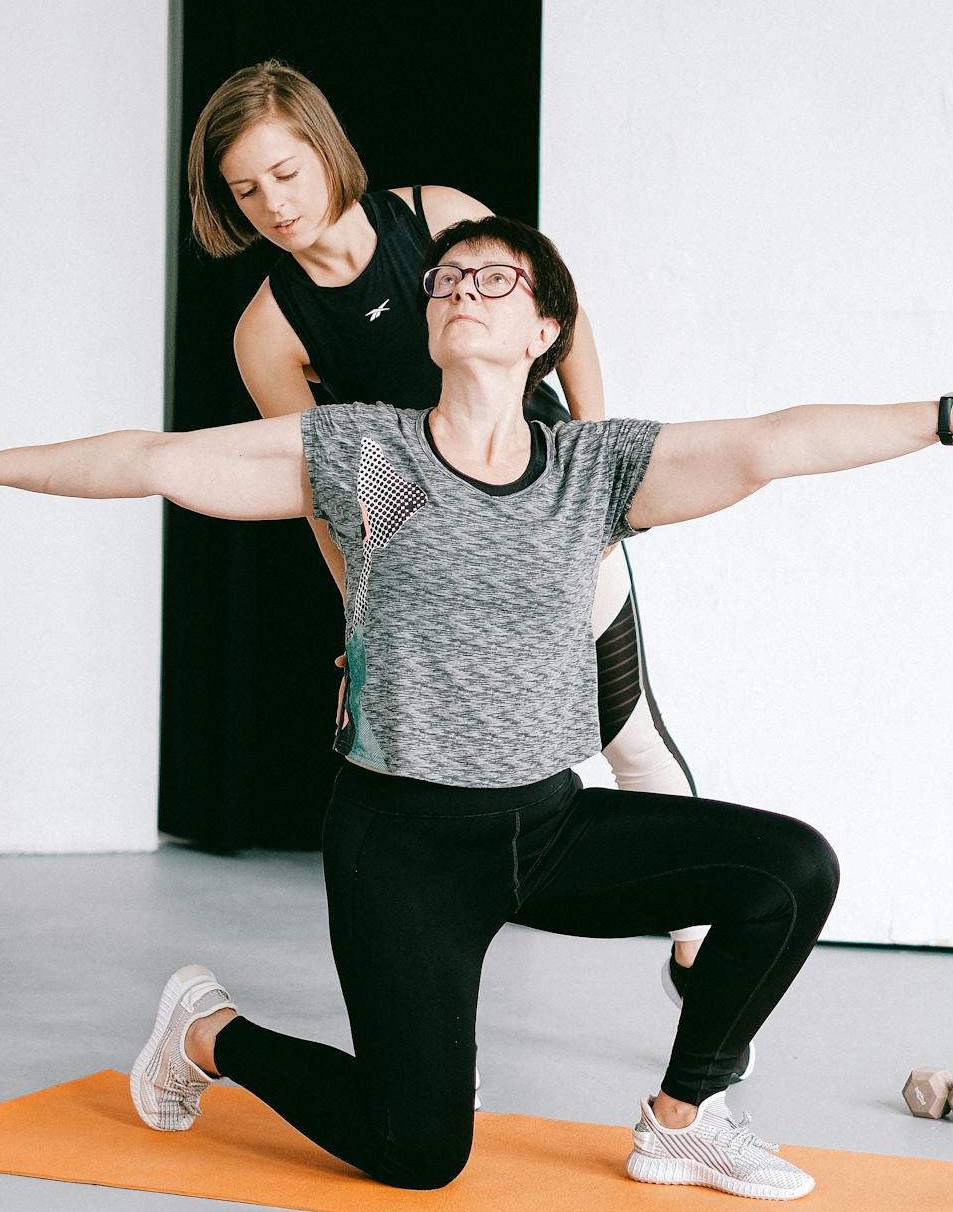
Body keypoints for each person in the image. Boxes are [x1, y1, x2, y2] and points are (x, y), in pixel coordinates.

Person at [0, 216, 953, 1201]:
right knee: (418, 1148)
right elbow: (160, 461)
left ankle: (687, 1121)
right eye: (447, 281)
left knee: (791, 869)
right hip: (400, 845)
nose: (459, 289)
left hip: (546, 828)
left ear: (545, 326)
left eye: (492, 279)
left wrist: (950, 415)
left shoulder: (593, 470)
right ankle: (209, 1028)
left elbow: (771, 443)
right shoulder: (378, 463)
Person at [188, 60, 719, 1038]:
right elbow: (331, 485)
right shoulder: (269, 329)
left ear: (324, 148)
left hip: (551, 507)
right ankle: (434, 1016)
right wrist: (372, 608)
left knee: (623, 729)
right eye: (246, 188)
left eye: (287, 171)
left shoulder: (438, 217)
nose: (275, 204)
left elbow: (565, 321)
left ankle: (700, 952)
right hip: (440, 562)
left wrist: (596, 468)